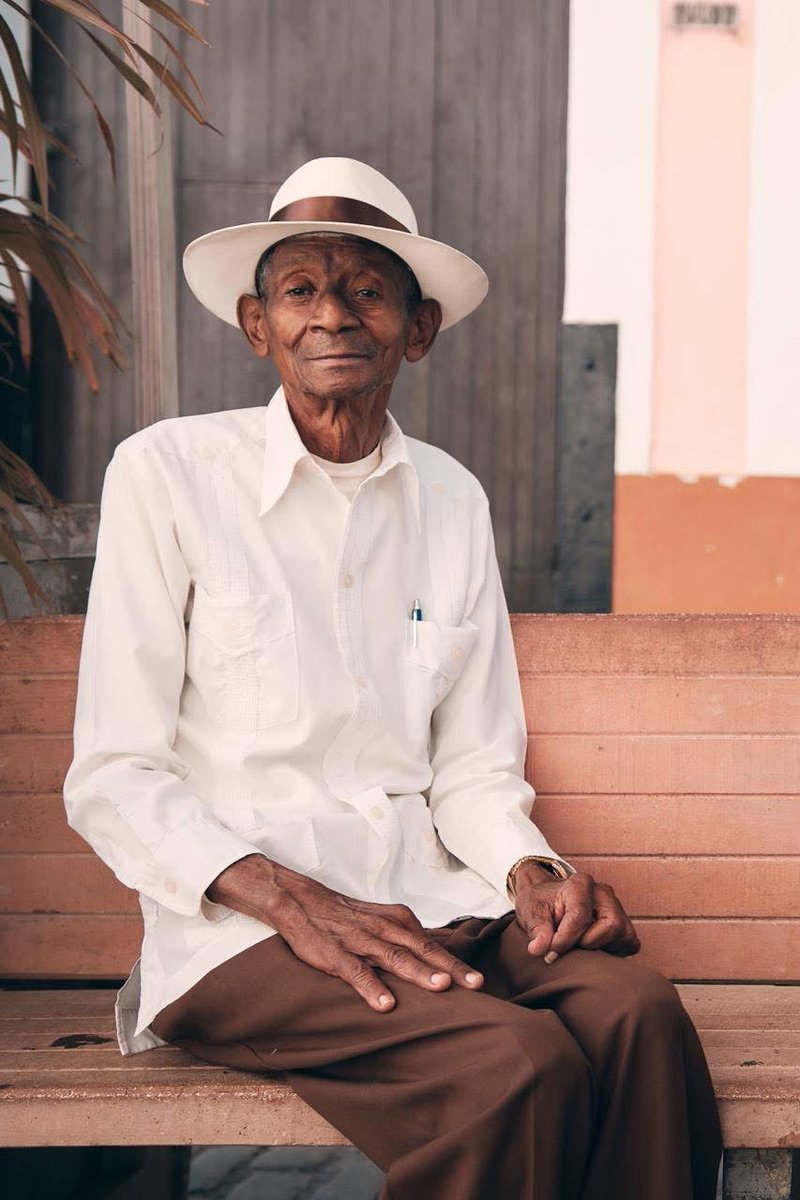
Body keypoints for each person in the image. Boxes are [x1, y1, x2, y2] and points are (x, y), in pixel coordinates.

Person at [64, 157, 722, 1199]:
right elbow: (113, 775)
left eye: (367, 291)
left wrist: (530, 874)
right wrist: (289, 899)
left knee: (634, 1011)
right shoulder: (169, 473)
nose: (332, 315)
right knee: (515, 1067)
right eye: (299, 291)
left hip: (428, 902)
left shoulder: (450, 500)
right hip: (240, 935)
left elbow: (469, 764)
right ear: (256, 324)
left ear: (414, 330)